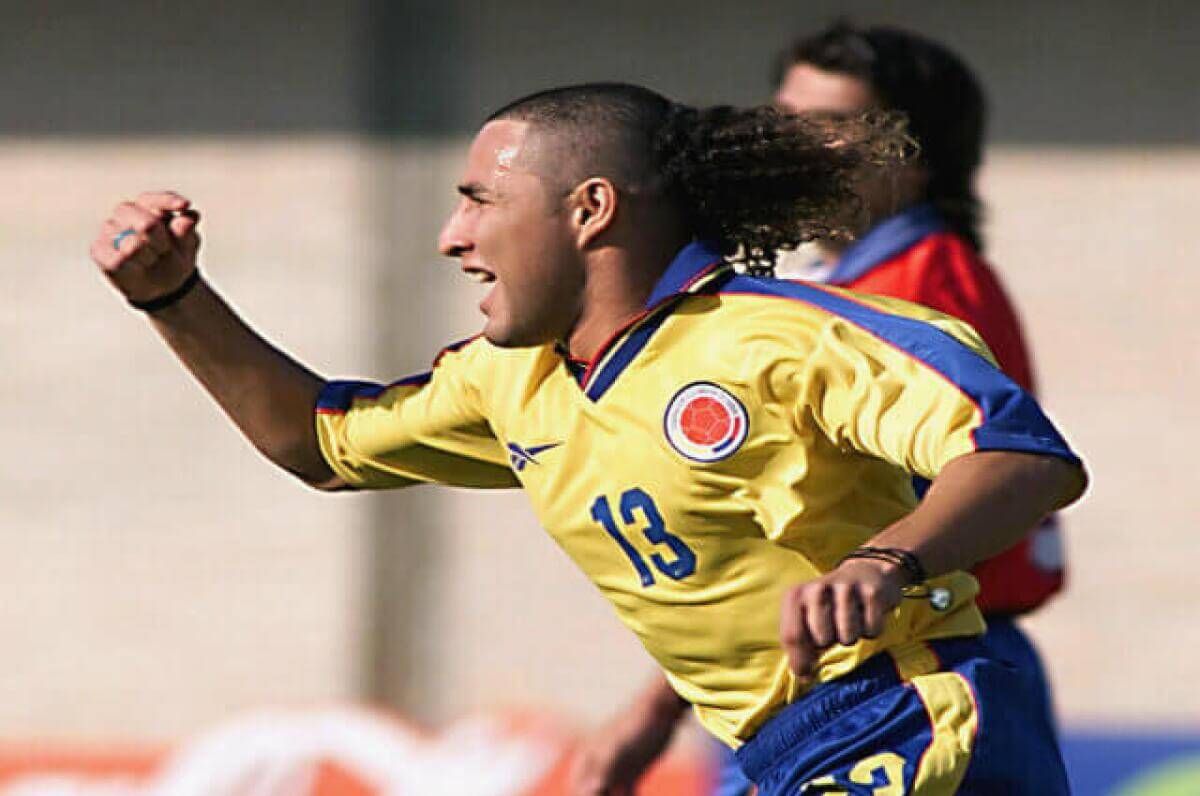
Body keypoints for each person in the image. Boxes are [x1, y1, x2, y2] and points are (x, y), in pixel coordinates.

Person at [89, 83, 1086, 794]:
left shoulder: (786, 336)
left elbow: (1020, 453)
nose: (451, 234)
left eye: (480, 199)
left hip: (912, 720)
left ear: (590, 210)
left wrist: (886, 560)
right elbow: (320, 443)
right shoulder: (509, 378)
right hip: (778, 750)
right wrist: (174, 298)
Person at [571, 23, 1069, 796]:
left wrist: (651, 709)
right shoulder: (844, 285)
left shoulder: (905, 297)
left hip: (900, 686)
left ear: (913, 154)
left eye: (826, 127)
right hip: (835, 689)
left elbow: (835, 526)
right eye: (783, 118)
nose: (787, 144)